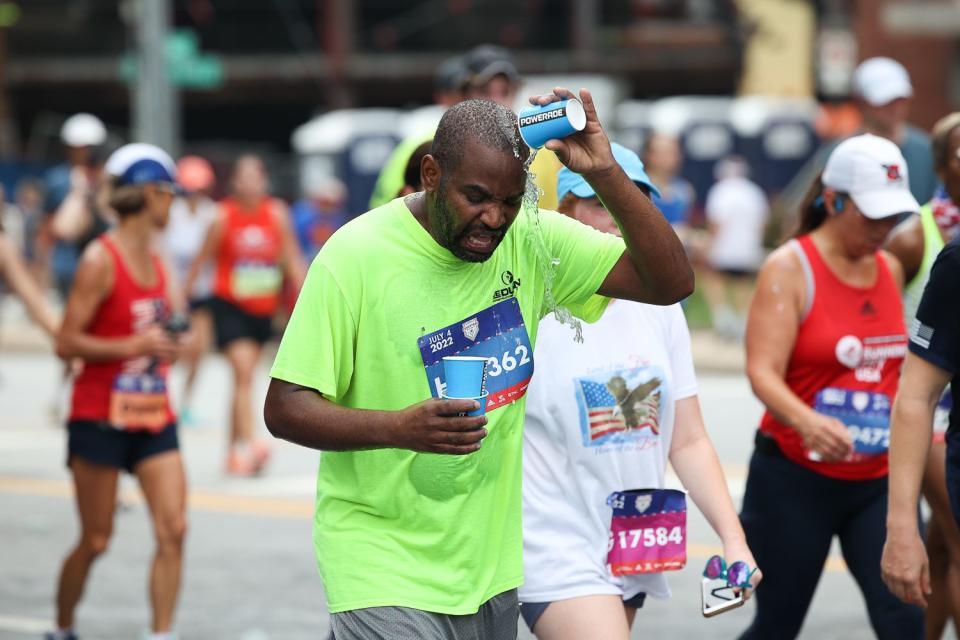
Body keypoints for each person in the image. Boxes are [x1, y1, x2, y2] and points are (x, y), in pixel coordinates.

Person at [263, 91, 692, 639]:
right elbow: (285, 407)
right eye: (476, 197)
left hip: (489, 571)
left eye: (511, 200)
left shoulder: (529, 239)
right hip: (379, 565)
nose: (493, 218)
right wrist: (396, 428)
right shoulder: (356, 256)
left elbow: (670, 282)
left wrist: (606, 172)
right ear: (431, 172)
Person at [519, 144, 760, 640]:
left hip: (635, 540)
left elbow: (688, 439)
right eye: (599, 204)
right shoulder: (531, 301)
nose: (616, 220)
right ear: (564, 214)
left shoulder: (661, 305)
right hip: (553, 544)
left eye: (630, 202)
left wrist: (734, 540)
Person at [739, 133, 924, 639]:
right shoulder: (789, 267)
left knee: (906, 620)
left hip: (875, 483)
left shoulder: (888, 267)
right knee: (777, 624)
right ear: (833, 199)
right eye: (872, 216)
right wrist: (808, 420)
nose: (885, 229)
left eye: (893, 216)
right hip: (794, 480)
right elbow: (761, 371)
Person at [47, 143, 187, 640]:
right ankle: (62, 628)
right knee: (97, 538)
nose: (175, 204)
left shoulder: (158, 259)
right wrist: (134, 343)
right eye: (170, 193)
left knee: (174, 530)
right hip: (98, 415)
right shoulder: (98, 259)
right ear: (150, 193)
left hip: (152, 411)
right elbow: (66, 342)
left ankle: (161, 634)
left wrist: (168, 346)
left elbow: (158, 330)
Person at [883, 112, 960, 639]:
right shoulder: (919, 238)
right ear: (939, 164)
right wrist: (899, 525)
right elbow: (881, 314)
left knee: (942, 545)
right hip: (934, 403)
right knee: (952, 541)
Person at [187, 154, 305, 476]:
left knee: (244, 378)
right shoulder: (223, 216)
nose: (251, 183)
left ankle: (231, 450)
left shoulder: (276, 213)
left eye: (257, 176)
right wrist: (183, 305)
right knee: (243, 374)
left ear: (264, 181)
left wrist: (306, 301)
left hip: (263, 309)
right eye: (244, 176)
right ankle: (251, 444)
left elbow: (291, 259)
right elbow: (201, 261)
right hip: (229, 305)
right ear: (235, 182)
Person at [162, 155, 218, 428]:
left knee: (199, 351)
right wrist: (176, 292)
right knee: (174, 348)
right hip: (174, 292)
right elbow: (165, 255)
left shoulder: (212, 213)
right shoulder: (173, 214)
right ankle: (164, 399)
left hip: (203, 292)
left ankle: (185, 404)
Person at [701, 155, 769, 340]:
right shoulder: (754, 192)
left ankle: (722, 316)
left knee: (712, 277)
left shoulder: (720, 191)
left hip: (724, 248)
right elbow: (762, 224)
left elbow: (717, 223)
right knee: (743, 283)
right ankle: (741, 319)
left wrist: (709, 246)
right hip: (748, 249)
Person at [291, 175, 349, 263]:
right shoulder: (301, 218)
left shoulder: (341, 220)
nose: (329, 209)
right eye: (325, 203)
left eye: (335, 204)